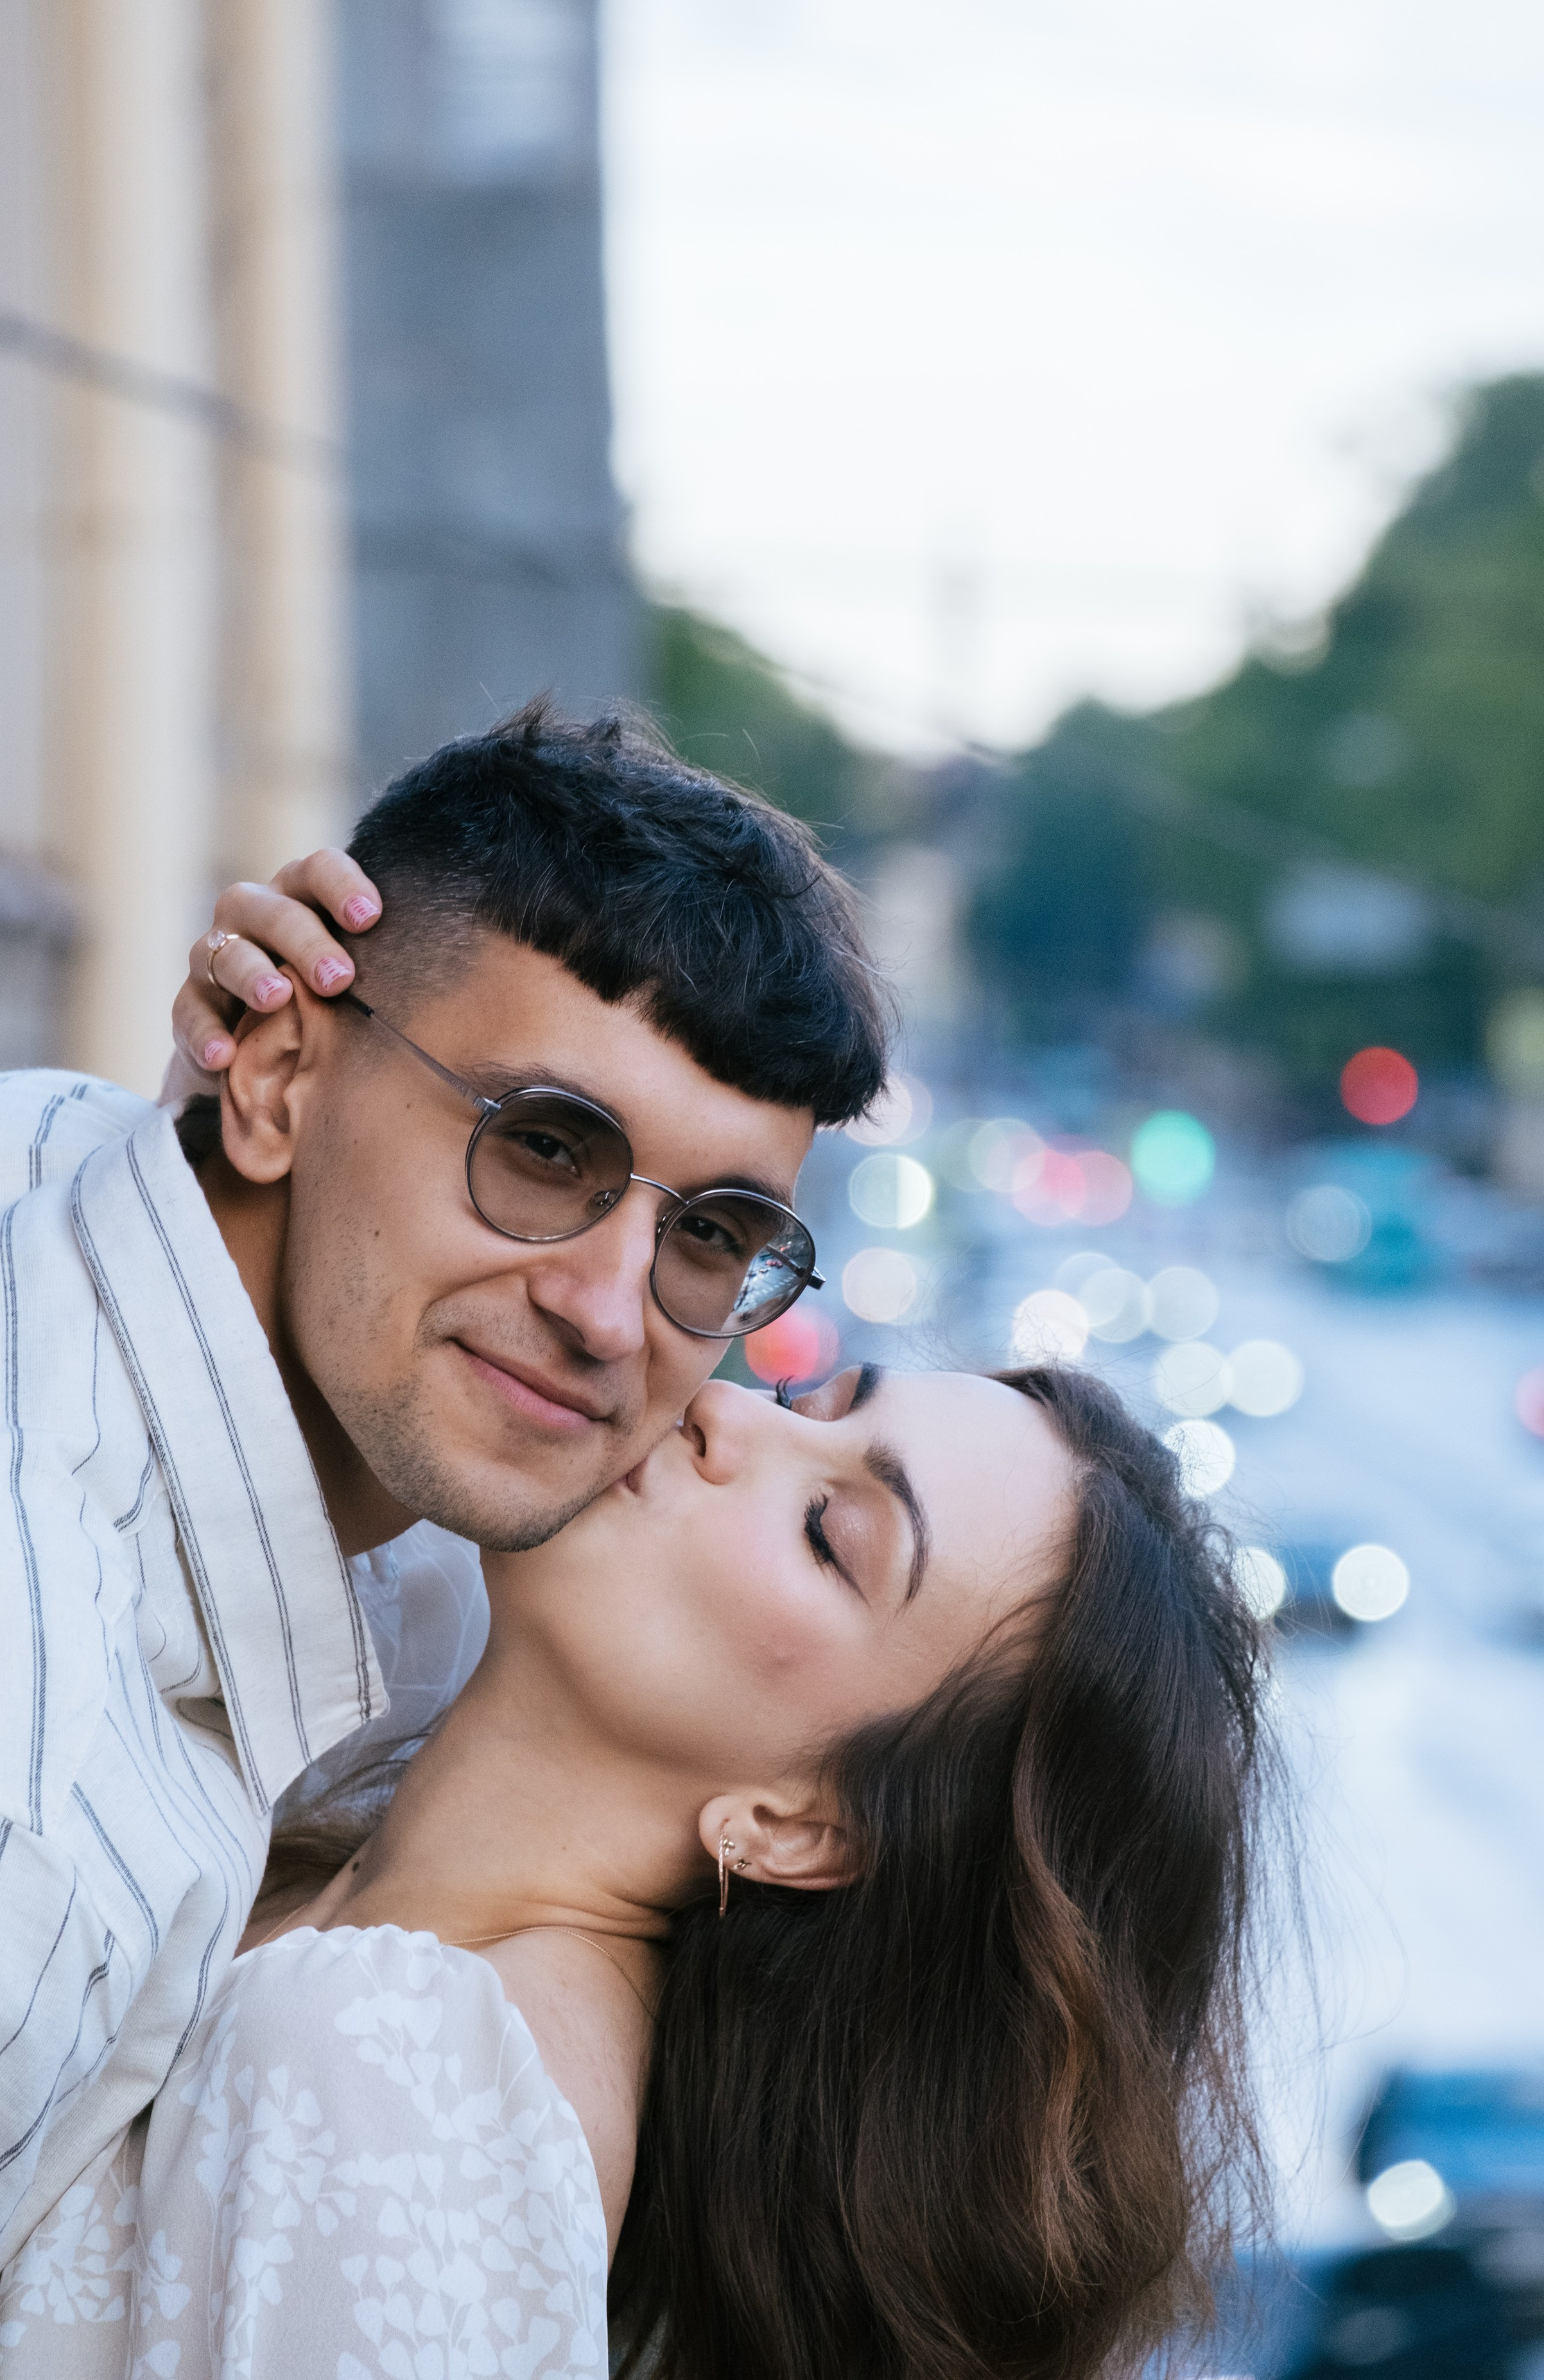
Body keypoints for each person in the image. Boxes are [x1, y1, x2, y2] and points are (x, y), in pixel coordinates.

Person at [0, 702, 889, 2264]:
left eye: (709, 1239)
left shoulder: (56, 1155)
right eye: (543, 1148)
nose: (610, 1316)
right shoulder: (48, 1831)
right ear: (275, 1071)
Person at [0, 1354, 1274, 2380]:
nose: (718, 1410)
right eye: (801, 1401)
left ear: (801, 1827)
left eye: (830, 1532)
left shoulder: (407, 2067)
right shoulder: (328, 1835)